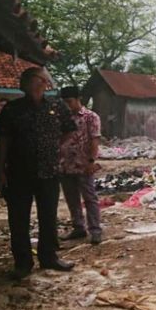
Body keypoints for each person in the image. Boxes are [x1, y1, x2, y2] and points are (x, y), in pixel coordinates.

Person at [0, 67, 77, 279]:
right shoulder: (13, 109)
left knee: (48, 216)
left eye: (27, 79)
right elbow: (4, 140)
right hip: (18, 171)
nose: (23, 82)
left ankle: (49, 257)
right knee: (18, 218)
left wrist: (57, 148)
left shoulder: (57, 106)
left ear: (41, 82)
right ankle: (22, 263)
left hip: (49, 171)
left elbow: (70, 130)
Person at [58, 86, 102, 245]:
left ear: (78, 99)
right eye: (64, 102)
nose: (67, 105)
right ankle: (78, 228)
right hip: (65, 164)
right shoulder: (62, 117)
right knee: (72, 199)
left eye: (69, 101)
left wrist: (91, 161)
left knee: (90, 198)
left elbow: (95, 141)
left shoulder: (91, 117)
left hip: (84, 165)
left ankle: (95, 230)